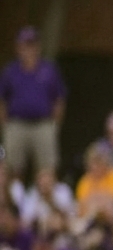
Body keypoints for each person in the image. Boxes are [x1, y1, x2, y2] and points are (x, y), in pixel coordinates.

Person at [0, 26, 66, 182]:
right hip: (16, 124)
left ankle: (45, 196)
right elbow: (2, 99)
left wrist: (54, 125)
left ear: (38, 47)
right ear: (18, 48)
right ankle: (15, 196)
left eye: (32, 45)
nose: (29, 50)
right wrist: (5, 125)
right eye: (25, 45)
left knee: (46, 168)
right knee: (13, 167)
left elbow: (59, 99)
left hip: (43, 124)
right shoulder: (10, 71)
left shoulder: (49, 70)